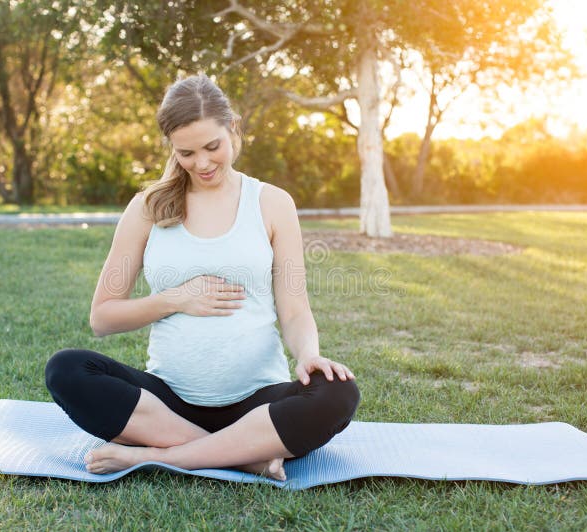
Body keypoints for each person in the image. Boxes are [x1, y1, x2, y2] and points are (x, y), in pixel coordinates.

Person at [45, 74, 360, 482]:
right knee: (65, 370)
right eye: (187, 153)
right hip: (166, 404)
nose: (203, 163)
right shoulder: (147, 209)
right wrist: (175, 299)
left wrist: (308, 355)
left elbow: (294, 308)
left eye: (213, 147)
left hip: (257, 404)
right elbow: (102, 318)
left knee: (339, 392)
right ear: (171, 147)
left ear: (233, 128)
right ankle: (245, 457)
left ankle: (156, 455)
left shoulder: (272, 203)